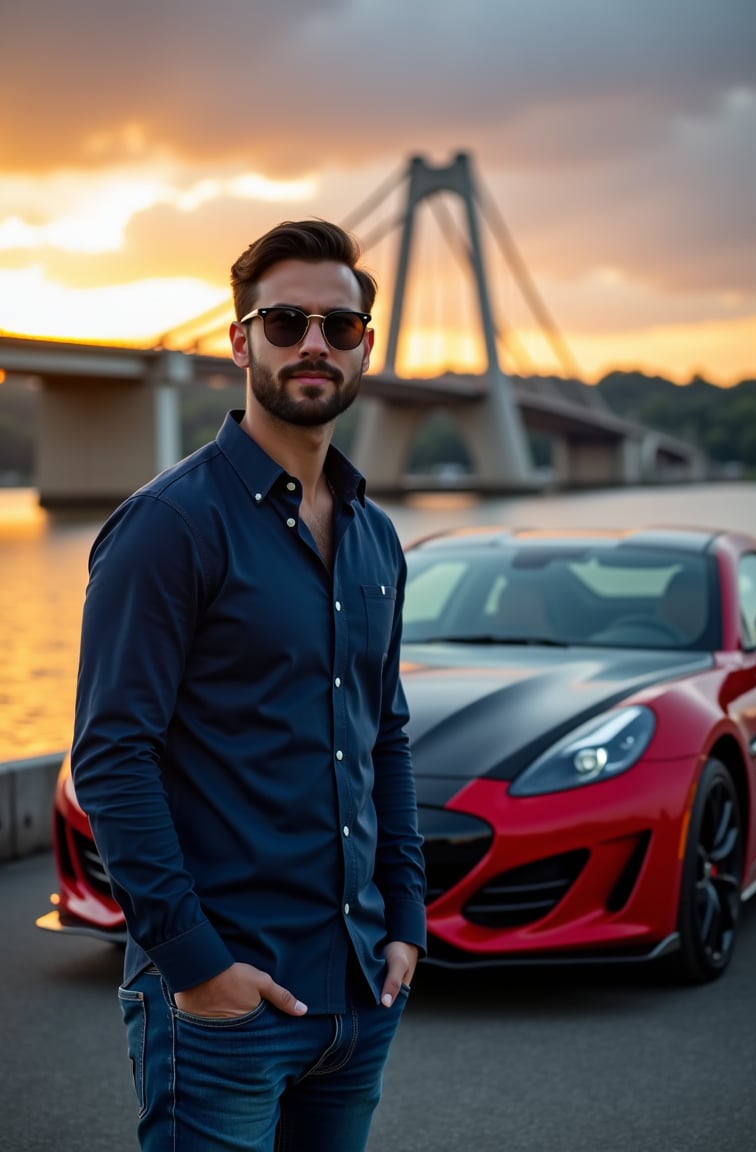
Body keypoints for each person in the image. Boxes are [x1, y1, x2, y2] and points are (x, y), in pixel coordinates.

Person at [71, 220, 427, 1152]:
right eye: (284, 321)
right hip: (227, 1004)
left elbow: (381, 734)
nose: (314, 343)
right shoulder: (169, 527)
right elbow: (113, 756)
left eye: (338, 327)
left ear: (364, 348)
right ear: (240, 340)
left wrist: (408, 920)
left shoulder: (375, 537)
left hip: (358, 993)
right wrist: (196, 967)